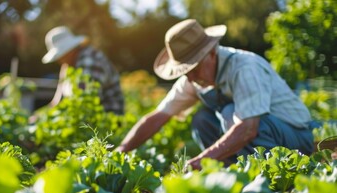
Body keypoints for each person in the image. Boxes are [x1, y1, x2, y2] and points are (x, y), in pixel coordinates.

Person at [116, 19, 314, 170]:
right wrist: (121, 150)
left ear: (211, 53)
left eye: (194, 69)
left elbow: (248, 129)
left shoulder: (244, 68)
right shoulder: (194, 78)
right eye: (186, 72)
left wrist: (201, 161)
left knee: (231, 113)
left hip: (295, 137)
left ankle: (271, 175)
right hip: (259, 135)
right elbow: (158, 116)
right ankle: (233, 173)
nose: (191, 78)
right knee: (202, 119)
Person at [41, 26, 125, 115]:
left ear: (70, 50)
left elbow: (86, 102)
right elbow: (58, 101)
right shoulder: (68, 66)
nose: (59, 60)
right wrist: (41, 115)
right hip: (88, 119)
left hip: (107, 119)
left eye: (60, 55)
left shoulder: (89, 61)